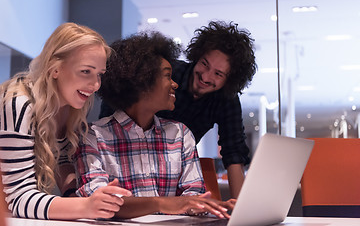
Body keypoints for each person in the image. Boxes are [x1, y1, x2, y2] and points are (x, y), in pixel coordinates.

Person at [75, 31, 235, 219]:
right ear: (142, 81)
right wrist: (163, 202)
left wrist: (201, 205)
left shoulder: (181, 135)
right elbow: (98, 203)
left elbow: (193, 196)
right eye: (168, 76)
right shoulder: (92, 137)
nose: (175, 84)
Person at [100, 21, 257, 199]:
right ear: (197, 56)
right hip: (128, 163)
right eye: (204, 64)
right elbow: (114, 110)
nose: (206, 76)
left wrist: (240, 209)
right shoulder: (165, 73)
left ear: (229, 80)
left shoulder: (190, 131)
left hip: (175, 176)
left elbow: (234, 152)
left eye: (218, 74)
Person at [0, 22, 131, 220]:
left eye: (99, 74)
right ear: (55, 69)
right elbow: (17, 199)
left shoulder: (69, 106)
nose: (95, 85)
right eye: (86, 71)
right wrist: (85, 206)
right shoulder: (19, 105)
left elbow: (61, 162)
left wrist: (79, 196)